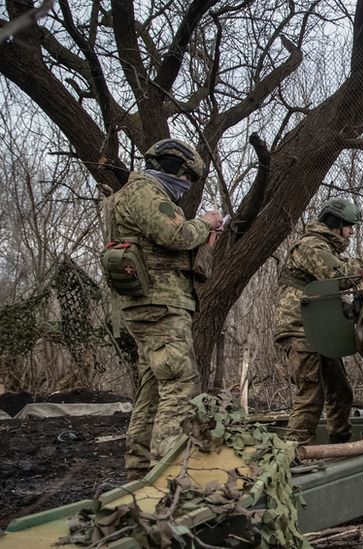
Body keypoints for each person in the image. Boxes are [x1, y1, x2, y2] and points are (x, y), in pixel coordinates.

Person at [102, 138, 223, 479]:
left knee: (153, 389)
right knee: (180, 385)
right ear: (177, 171)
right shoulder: (145, 194)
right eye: (187, 178)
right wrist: (206, 223)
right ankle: (166, 476)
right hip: (159, 305)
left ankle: (139, 471)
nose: (186, 186)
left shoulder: (128, 196)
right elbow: (177, 236)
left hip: (147, 306)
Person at [273, 198, 363, 444]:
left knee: (340, 392)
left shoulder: (325, 249)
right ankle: (293, 456)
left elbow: (330, 287)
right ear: (335, 224)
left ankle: (340, 446)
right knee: (311, 396)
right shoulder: (311, 246)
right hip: (300, 329)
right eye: (349, 226)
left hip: (317, 329)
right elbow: (338, 277)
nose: (351, 232)